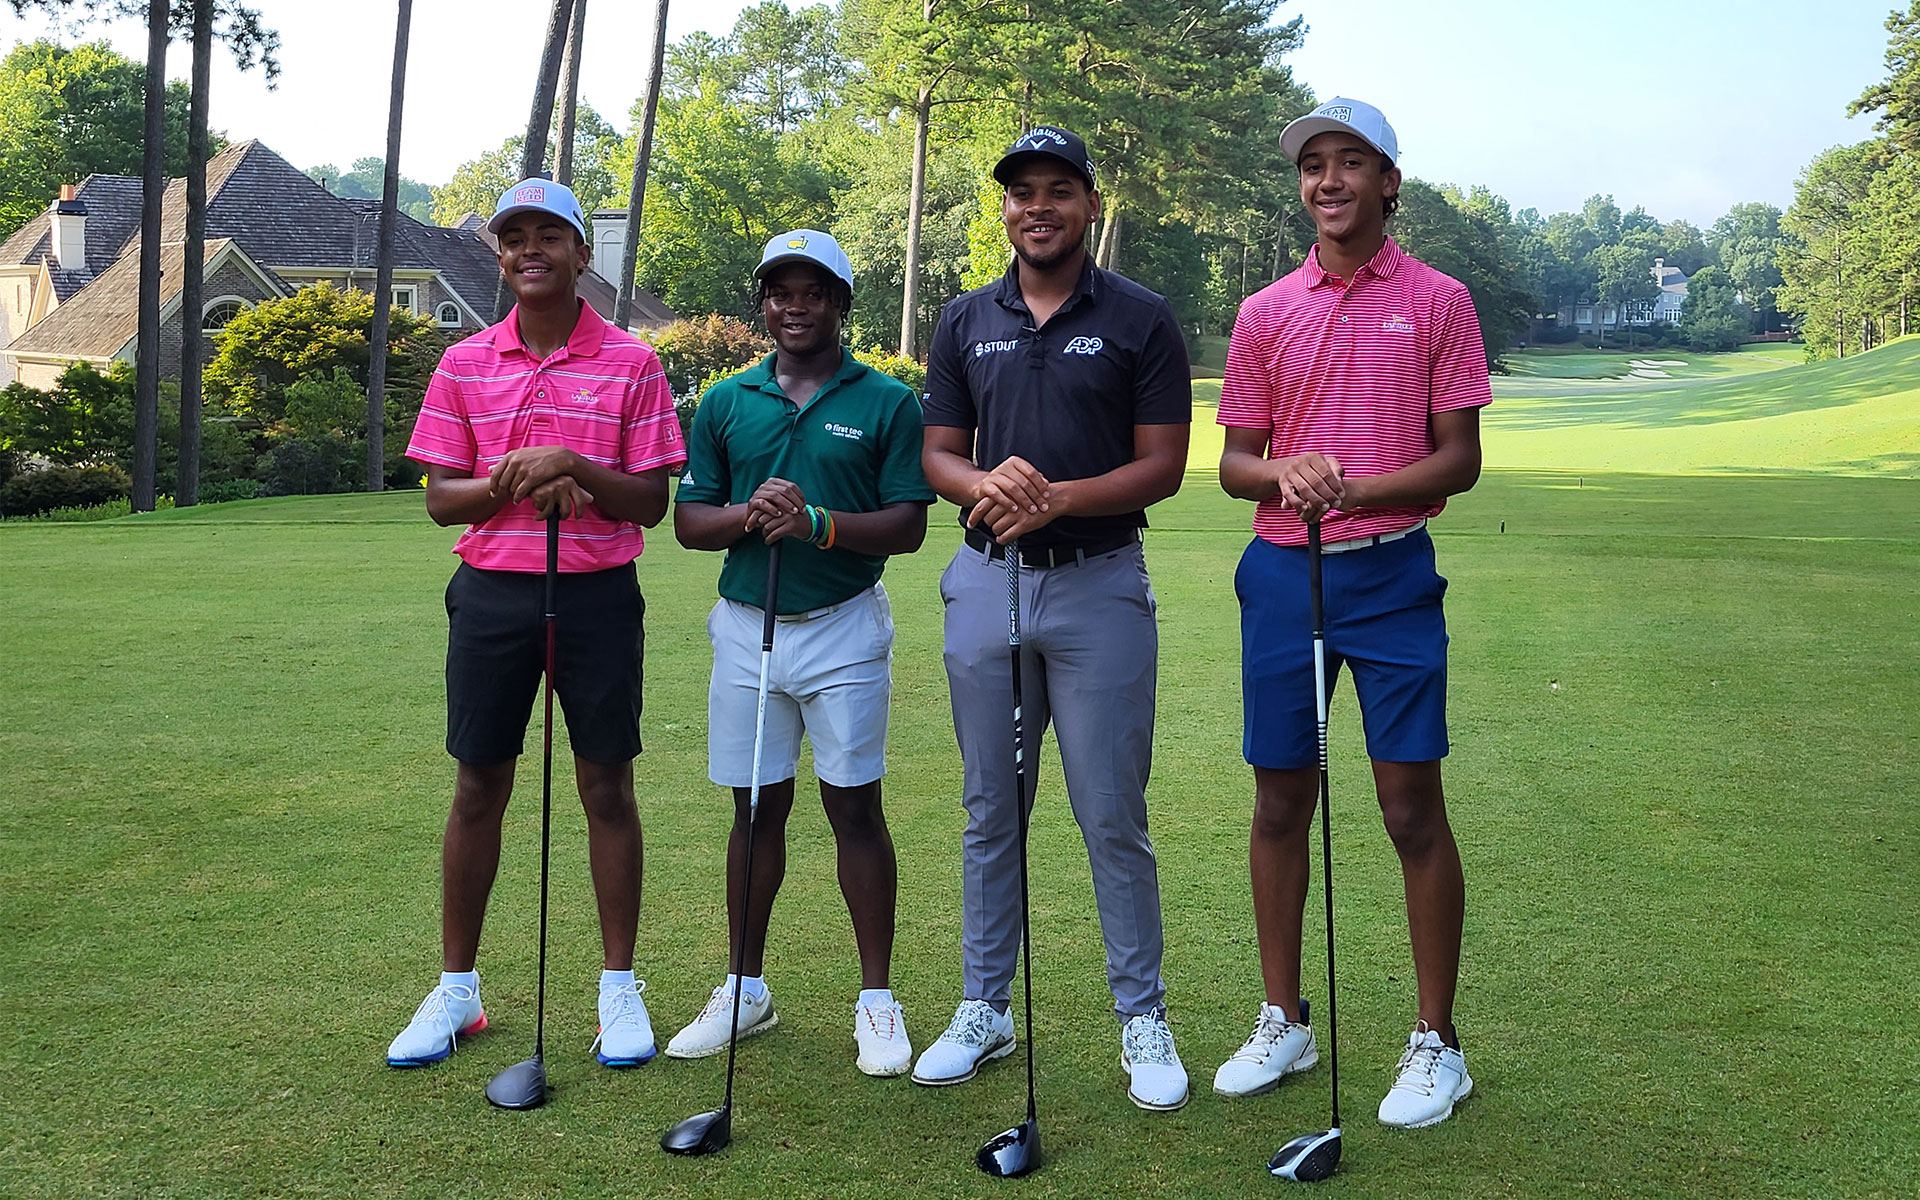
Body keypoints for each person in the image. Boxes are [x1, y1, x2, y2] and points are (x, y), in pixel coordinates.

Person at [1212, 98, 1490, 1128]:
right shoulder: (1264, 311)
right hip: (1285, 576)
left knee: (1410, 806)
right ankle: (1283, 1018)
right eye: (1312, 165)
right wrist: (1287, 471)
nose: (1327, 180)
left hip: (1393, 573)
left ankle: (1437, 1042)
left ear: (1387, 180)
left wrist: (1357, 490)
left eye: (1349, 162)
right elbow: (1236, 463)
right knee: (1280, 801)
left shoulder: (1440, 299)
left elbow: (1459, 460)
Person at [915, 126, 1194, 1110]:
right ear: (1005, 207)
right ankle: (984, 1007)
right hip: (986, 579)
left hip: (1098, 581)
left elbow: (1163, 463)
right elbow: (938, 453)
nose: (1038, 207)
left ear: (1088, 204)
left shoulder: (1139, 316)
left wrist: (1056, 498)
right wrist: (985, 485)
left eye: (1058, 191)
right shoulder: (965, 318)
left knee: (1111, 810)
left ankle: (1142, 1015)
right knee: (992, 807)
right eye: (1022, 191)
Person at [387, 177, 686, 1070]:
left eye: (549, 236)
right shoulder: (464, 363)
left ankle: (618, 987)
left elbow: (651, 500)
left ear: (581, 253)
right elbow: (443, 499)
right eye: (514, 237)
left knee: (607, 787)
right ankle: (458, 989)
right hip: (491, 594)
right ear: (499, 254)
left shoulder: (632, 362)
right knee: (478, 786)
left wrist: (577, 468)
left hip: (596, 594)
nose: (530, 251)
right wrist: (519, 476)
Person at [669, 230, 933, 1077]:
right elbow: (689, 522)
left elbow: (908, 523)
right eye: (780, 292)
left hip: (844, 624)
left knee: (854, 808)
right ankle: (745, 989)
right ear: (763, 304)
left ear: (840, 304)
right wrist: (754, 513)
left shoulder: (887, 401)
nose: (795, 307)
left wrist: (815, 522)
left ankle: (876, 999)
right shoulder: (727, 400)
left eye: (813, 293)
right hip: (746, 626)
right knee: (754, 810)